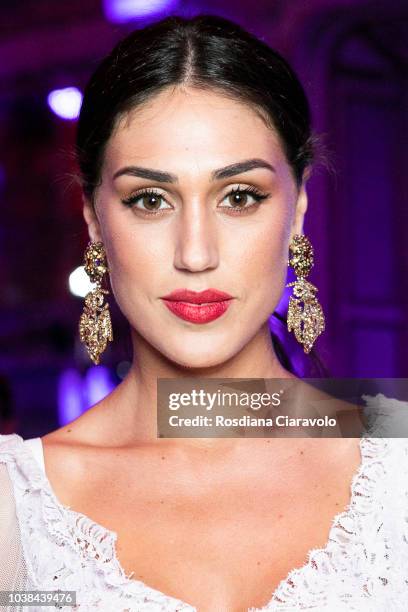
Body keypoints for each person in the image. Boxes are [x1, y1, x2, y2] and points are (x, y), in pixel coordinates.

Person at [0, 14, 407, 612]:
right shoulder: (15, 510)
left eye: (240, 197)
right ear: (94, 220)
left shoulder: (399, 470)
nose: (196, 254)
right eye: (150, 200)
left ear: (297, 210)